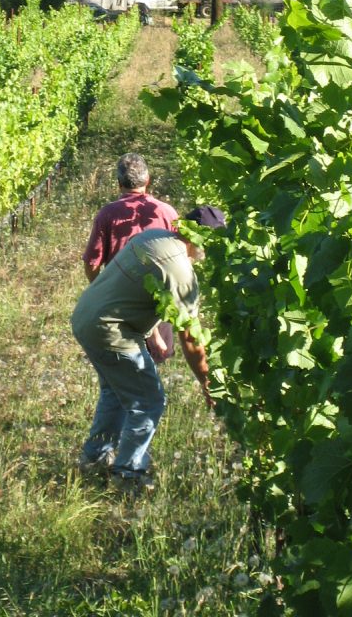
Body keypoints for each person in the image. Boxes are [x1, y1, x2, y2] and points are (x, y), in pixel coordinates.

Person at [71, 205, 226, 492]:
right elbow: (190, 339)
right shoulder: (181, 272)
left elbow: (135, 284)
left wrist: (152, 332)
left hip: (86, 317)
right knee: (148, 401)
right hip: (110, 331)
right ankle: (128, 474)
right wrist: (208, 384)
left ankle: (93, 460)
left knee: (115, 393)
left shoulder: (152, 237)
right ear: (203, 239)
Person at [83, 153, 179, 362]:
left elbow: (92, 262)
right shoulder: (167, 213)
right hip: (158, 303)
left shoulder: (108, 214)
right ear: (148, 180)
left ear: (119, 183)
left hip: (120, 301)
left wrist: (100, 287)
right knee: (153, 369)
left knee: (123, 368)